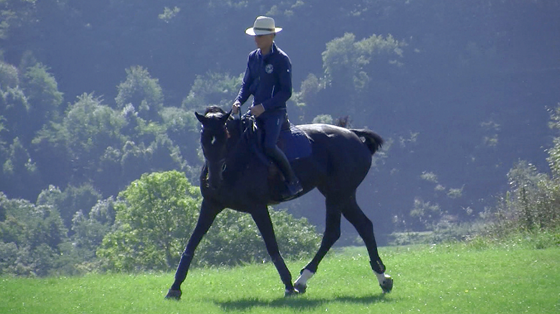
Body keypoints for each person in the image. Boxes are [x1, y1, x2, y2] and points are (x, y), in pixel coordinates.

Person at [232, 16, 303, 198]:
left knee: (269, 146)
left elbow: (286, 93)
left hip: (274, 113)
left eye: (261, 36)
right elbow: (246, 85)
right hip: (255, 111)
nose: (257, 39)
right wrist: (239, 101)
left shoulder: (282, 60)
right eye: (256, 36)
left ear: (272, 36)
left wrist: (263, 107)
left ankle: (292, 181)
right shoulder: (253, 58)